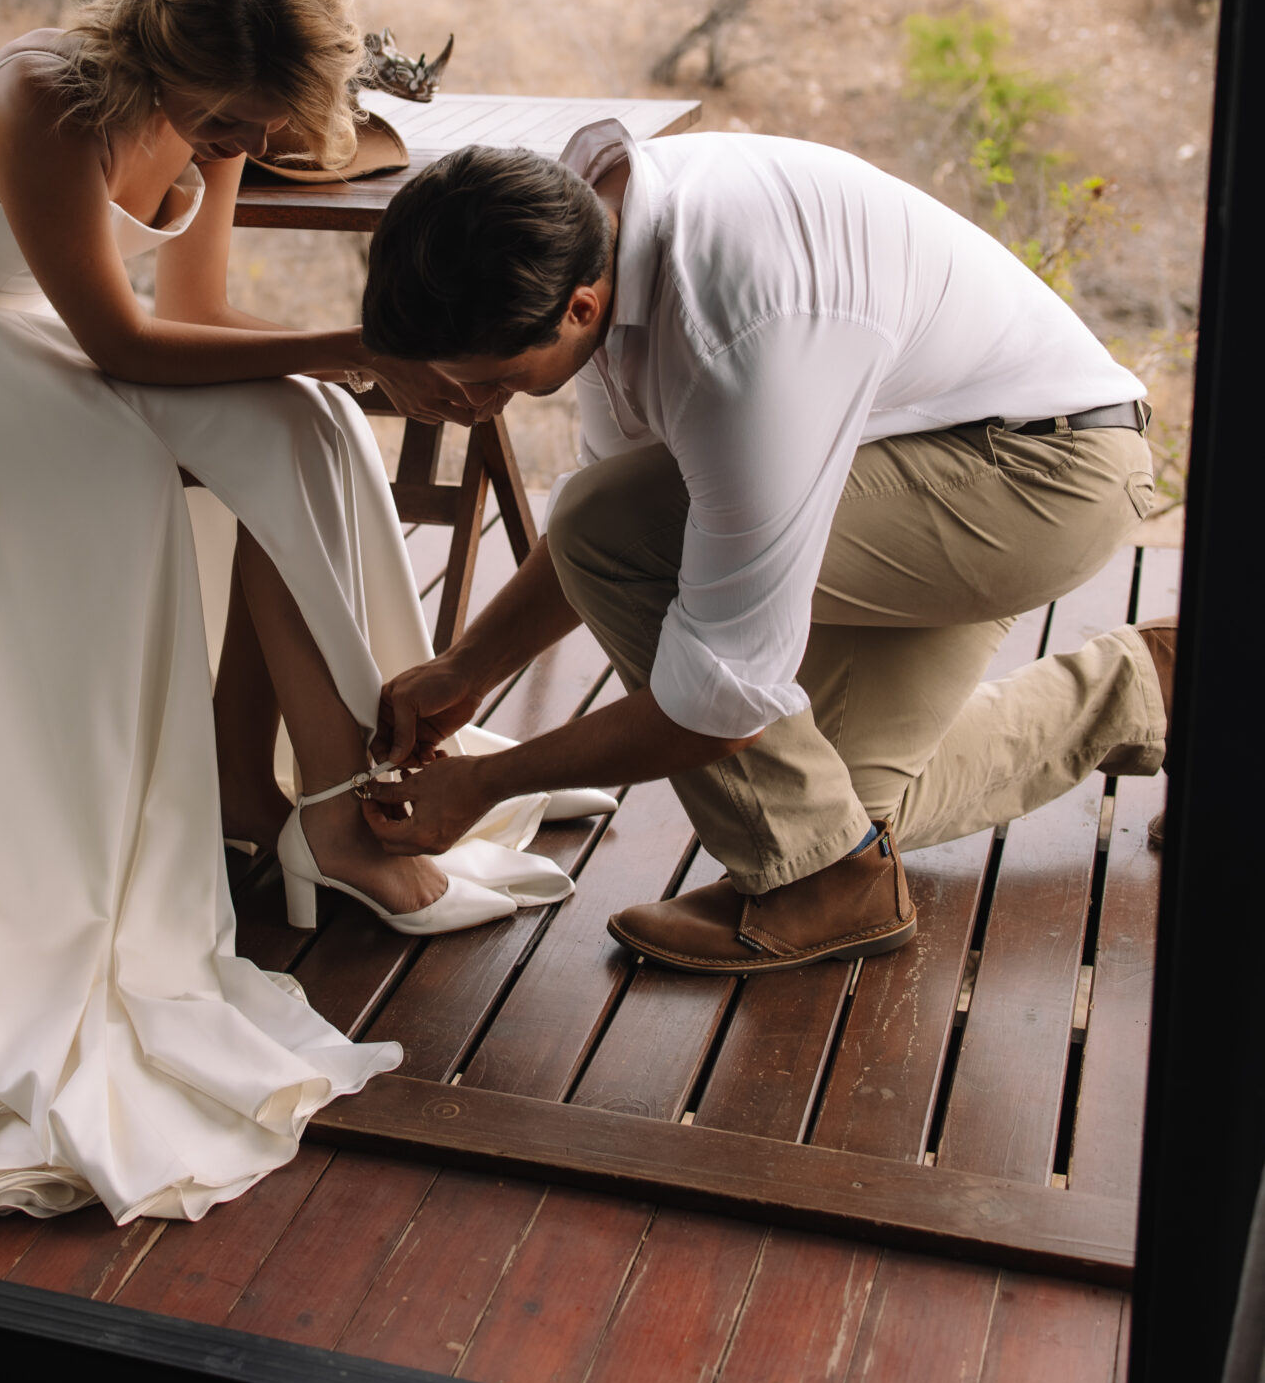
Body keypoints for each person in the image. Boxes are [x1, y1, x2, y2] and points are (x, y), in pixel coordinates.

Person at [0, 0, 575, 1237]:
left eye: (253, 128)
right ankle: (278, 808)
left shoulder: (212, 113)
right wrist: (365, 337)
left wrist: (346, 370)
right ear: (158, 57)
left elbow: (200, 303)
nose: (234, 148)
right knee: (223, 434)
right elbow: (121, 340)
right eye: (220, 124)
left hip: (55, 346)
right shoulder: (43, 99)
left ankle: (338, 794)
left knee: (311, 422)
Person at [362, 120, 1175, 975]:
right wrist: (466, 668)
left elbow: (720, 701)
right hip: (928, 446)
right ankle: (1149, 683)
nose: (477, 406)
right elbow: (623, 519)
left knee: (801, 829)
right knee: (837, 812)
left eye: (491, 380)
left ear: (581, 308)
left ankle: (820, 886)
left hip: (1036, 478)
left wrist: (485, 785)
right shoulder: (573, 233)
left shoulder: (730, 335)